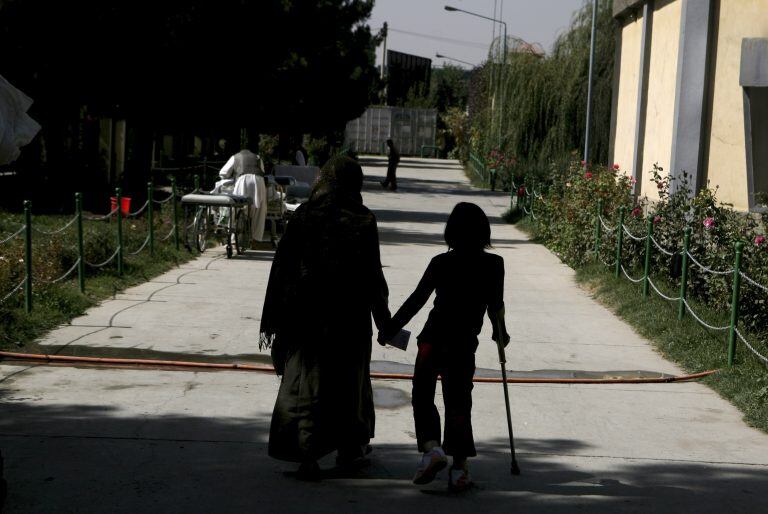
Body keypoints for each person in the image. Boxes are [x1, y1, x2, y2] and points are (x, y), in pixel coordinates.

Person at [260, 156, 391, 481]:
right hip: (349, 318)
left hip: (307, 316)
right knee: (349, 385)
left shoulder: (305, 217)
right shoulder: (362, 220)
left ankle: (308, 457)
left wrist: (279, 320)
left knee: (307, 385)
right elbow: (372, 276)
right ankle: (349, 452)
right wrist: (384, 320)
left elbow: (283, 270)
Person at [378, 202, 510, 492]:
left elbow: (417, 300)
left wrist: (390, 328)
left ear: (451, 231)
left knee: (422, 396)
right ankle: (460, 468)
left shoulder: (441, 262)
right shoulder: (494, 264)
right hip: (463, 345)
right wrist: (501, 334)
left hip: (433, 341)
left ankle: (431, 448)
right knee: (459, 401)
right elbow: (495, 307)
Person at [215, 148, 268, 245]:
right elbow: (262, 171)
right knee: (259, 209)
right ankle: (255, 240)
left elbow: (223, 173)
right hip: (258, 180)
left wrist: (232, 177)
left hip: (243, 179)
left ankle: (234, 239)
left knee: (238, 207)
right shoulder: (257, 157)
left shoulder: (235, 157)